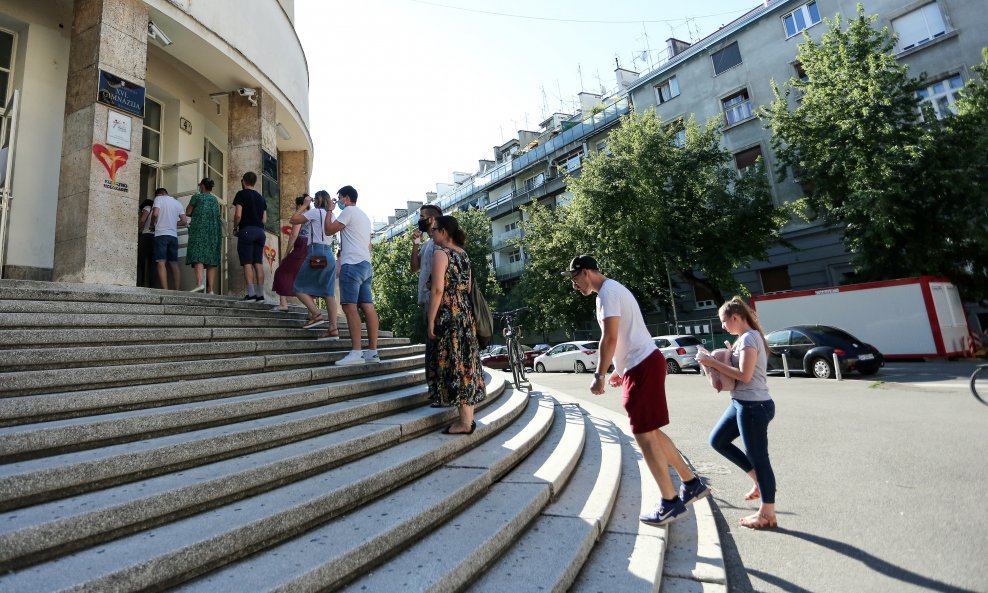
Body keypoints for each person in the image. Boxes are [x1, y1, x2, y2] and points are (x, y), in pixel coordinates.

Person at [566, 255, 708, 526]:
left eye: (574, 279)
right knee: (650, 430)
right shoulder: (611, 291)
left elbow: (610, 337)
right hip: (642, 364)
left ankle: (670, 502)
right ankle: (690, 484)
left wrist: (600, 375)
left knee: (643, 434)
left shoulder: (607, 293)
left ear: (585, 272)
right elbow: (628, 334)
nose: (574, 286)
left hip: (643, 365)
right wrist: (620, 369)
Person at [698, 297, 778, 530]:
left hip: (753, 406)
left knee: (759, 458)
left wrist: (711, 362)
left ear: (735, 317)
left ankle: (767, 513)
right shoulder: (745, 338)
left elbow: (744, 375)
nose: (722, 326)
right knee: (718, 440)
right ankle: (756, 479)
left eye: (724, 322)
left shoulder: (749, 338)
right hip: (742, 403)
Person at [426, 215, 486, 434]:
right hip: (465, 312)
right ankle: (468, 418)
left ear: (443, 232)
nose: (431, 234)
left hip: (449, 313)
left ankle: (464, 423)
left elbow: (438, 289)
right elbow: (469, 287)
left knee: (454, 362)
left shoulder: (441, 254)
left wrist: (431, 318)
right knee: (465, 361)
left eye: (433, 230)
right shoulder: (463, 254)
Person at [325, 185, 380, 365]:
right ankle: (372, 352)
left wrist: (328, 211)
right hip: (365, 264)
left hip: (352, 264)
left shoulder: (348, 211)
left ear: (346, 198)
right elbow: (368, 244)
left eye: (339, 198)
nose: (339, 201)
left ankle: (356, 352)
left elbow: (329, 230)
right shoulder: (364, 216)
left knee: (350, 307)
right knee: (368, 306)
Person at [289, 191, 338, 333]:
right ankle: (333, 328)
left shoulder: (315, 212)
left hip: (316, 253)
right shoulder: (331, 215)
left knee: (298, 287)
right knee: (329, 293)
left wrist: (304, 205)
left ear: (317, 200)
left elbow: (293, 219)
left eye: (314, 199)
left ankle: (316, 314)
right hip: (329, 254)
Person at [411, 204, 443, 405]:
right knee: (431, 346)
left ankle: (439, 390)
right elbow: (414, 268)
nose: (420, 220)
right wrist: (415, 244)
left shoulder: (441, 243)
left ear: (431, 219)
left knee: (436, 346)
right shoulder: (427, 244)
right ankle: (434, 389)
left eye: (422, 217)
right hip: (425, 299)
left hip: (436, 301)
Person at [272, 194, 312, 312]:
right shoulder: (313, 215)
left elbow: (294, 235)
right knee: (307, 278)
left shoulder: (299, 216)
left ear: (300, 205)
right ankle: (311, 311)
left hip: (301, 248)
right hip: (311, 249)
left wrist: (286, 253)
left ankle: (283, 304)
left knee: (281, 271)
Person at [233, 171, 267, 301]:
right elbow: (264, 220)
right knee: (258, 263)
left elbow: (238, 215)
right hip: (260, 232)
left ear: (243, 181)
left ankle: (251, 294)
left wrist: (235, 226)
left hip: (246, 230)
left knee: (247, 262)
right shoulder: (261, 198)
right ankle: (260, 294)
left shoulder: (241, 194)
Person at [185, 178, 223, 294]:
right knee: (211, 259)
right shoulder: (215, 200)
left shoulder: (197, 197)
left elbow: (188, 212)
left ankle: (200, 283)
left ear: (202, 186)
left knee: (198, 255)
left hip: (199, 230)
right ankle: (210, 289)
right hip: (213, 232)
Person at [151, 187, 188, 290]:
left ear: (159, 194)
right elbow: (184, 221)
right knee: (174, 263)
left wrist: (152, 224)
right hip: (173, 236)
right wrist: (172, 223)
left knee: (161, 262)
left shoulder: (158, 199)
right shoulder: (177, 203)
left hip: (161, 235)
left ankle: (165, 290)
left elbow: (155, 214)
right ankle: (177, 290)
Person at [137, 198, 156, 288]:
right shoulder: (157, 210)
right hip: (155, 237)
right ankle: (151, 286)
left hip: (146, 236)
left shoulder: (147, 207)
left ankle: (140, 284)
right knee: (152, 264)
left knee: (141, 262)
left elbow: (142, 220)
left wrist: (137, 229)